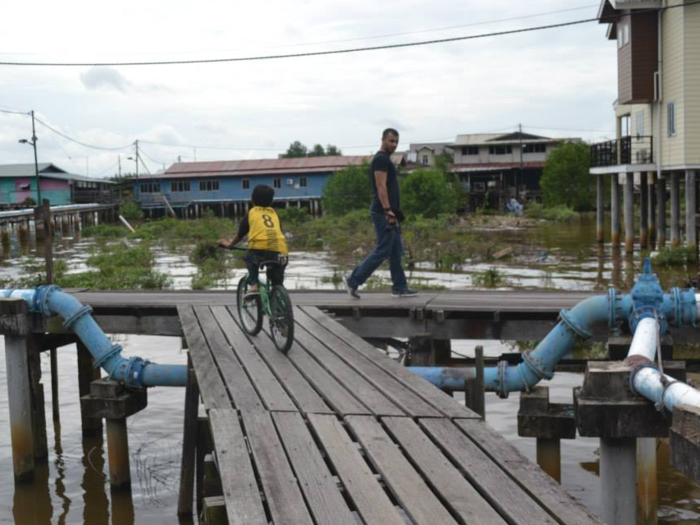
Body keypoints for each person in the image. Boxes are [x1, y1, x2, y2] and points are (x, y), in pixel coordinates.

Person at [344, 128, 418, 299]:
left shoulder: (385, 160)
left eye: (396, 142)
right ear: (383, 140)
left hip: (391, 212)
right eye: (391, 141)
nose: (393, 144)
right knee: (383, 250)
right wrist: (387, 211)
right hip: (383, 213)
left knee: (396, 251)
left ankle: (399, 287)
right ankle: (353, 281)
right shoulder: (381, 160)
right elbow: (381, 186)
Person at [218, 184, 288, 293]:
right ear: (271, 201)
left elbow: (240, 234)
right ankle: (279, 293)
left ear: (252, 199)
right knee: (277, 281)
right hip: (281, 251)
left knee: (250, 259)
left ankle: (254, 284)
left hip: (259, 248)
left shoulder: (252, 213)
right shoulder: (274, 214)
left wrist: (229, 245)